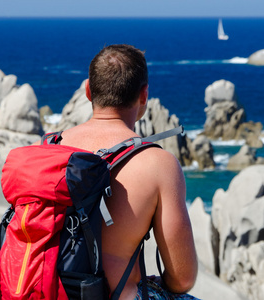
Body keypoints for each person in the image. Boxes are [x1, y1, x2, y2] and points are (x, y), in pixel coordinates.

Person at [56, 44, 198, 299]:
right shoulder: (158, 163)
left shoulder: (48, 146)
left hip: (40, 290)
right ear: (144, 96)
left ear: (88, 90)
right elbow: (183, 277)